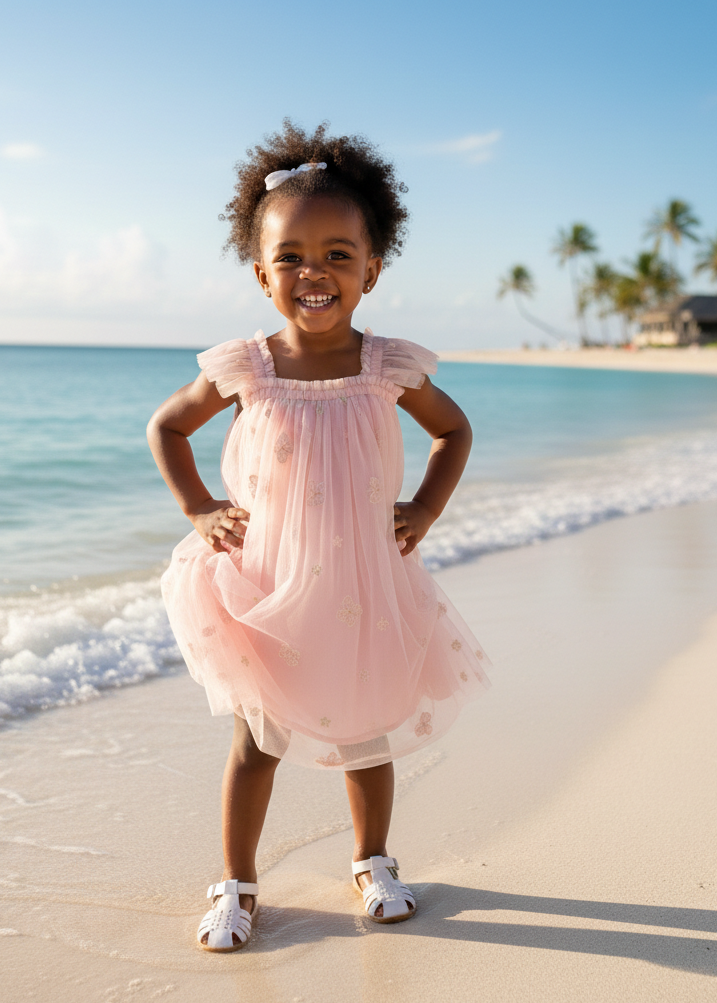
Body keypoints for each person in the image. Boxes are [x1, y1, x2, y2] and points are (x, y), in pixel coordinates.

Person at [147, 122, 489, 951]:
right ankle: (236, 882)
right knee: (257, 736)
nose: (316, 272)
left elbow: (455, 432)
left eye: (339, 255)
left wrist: (426, 508)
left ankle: (373, 861)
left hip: (364, 586)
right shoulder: (245, 368)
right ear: (262, 272)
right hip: (265, 585)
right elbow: (167, 428)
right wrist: (198, 509)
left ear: (372, 269)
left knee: (366, 730)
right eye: (293, 255)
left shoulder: (389, 366)